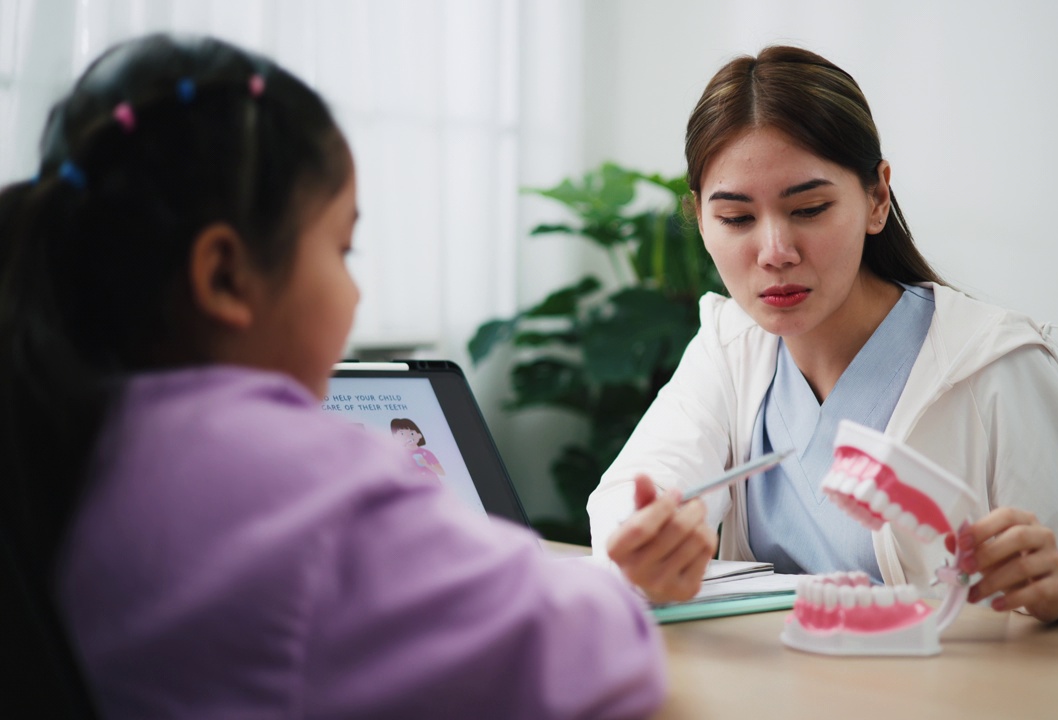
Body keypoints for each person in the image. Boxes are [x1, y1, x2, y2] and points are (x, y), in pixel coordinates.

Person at [0, 34, 665, 718]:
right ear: (224, 275)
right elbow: (588, 654)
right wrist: (616, 590)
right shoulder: (292, 491)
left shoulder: (67, 431)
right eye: (342, 248)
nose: (354, 293)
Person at [587, 45, 1058, 631]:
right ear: (701, 219)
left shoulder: (991, 364)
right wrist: (642, 542)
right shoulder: (730, 347)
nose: (774, 253)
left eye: (809, 209)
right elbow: (637, 493)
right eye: (736, 219)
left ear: (877, 197)